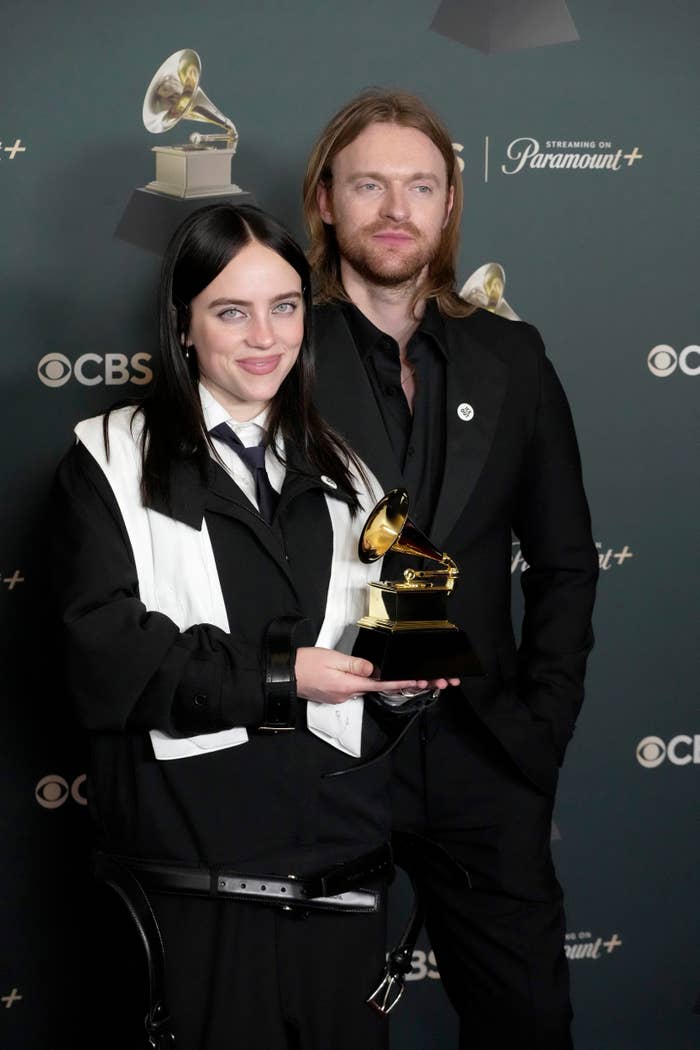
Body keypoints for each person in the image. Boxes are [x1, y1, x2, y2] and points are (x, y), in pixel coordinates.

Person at [50, 203, 454, 1050]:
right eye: (232, 311)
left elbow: (366, 664)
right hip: (195, 898)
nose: (265, 337)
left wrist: (401, 685)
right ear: (183, 325)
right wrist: (281, 677)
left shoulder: (349, 471)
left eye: (285, 306)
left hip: (342, 897)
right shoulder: (107, 457)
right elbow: (105, 652)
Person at [303, 90, 600, 1049]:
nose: (397, 209)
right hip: (325, 755)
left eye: (421, 186)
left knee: (529, 1025)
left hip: (487, 752)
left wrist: (542, 725)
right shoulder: (276, 349)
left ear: (449, 203)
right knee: (325, 1028)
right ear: (325, 200)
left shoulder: (512, 354)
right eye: (370, 186)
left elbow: (565, 561)